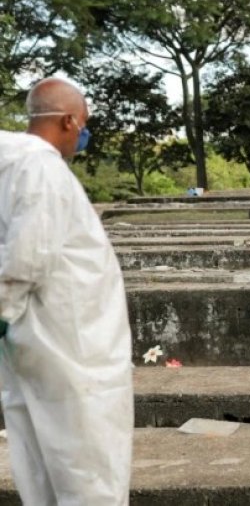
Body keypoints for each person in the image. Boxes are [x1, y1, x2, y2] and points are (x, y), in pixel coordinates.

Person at [0, 78, 133, 504]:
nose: (83, 135)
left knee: (45, 454)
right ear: (68, 120)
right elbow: (26, 256)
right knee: (86, 464)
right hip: (70, 346)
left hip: (42, 336)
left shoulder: (14, 163)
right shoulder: (40, 167)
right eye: (84, 125)